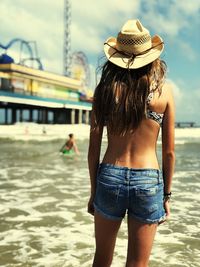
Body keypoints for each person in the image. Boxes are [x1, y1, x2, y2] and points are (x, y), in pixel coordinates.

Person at [87, 19, 175, 267]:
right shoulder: (163, 92)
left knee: (102, 259)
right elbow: (169, 153)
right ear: (149, 56)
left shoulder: (104, 90)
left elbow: (93, 151)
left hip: (110, 176)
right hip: (148, 180)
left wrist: (95, 191)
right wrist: (166, 195)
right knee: (138, 264)